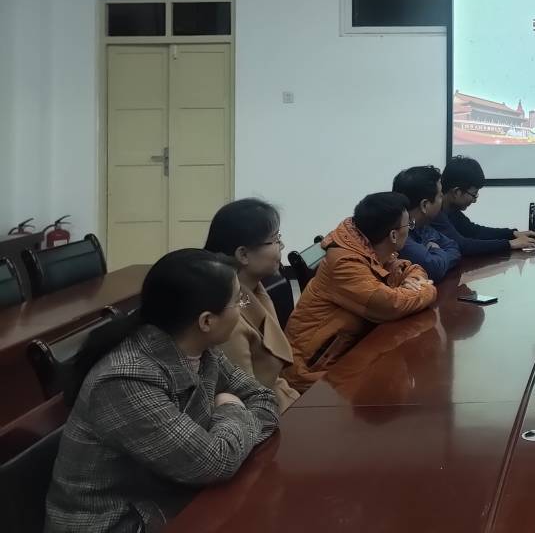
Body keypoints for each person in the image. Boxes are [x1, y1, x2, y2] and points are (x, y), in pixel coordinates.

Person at [45, 249, 278, 533]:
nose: (242, 308)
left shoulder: (200, 348)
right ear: (206, 321)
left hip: (172, 500)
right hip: (120, 523)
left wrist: (225, 433)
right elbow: (214, 462)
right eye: (238, 301)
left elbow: (263, 398)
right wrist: (230, 407)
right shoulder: (126, 380)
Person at [284, 191, 437, 389]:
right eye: (409, 225)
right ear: (393, 235)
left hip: (344, 356)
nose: (410, 230)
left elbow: (409, 269)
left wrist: (414, 281)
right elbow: (389, 305)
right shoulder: (345, 262)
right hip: (312, 371)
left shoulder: (368, 248)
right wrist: (426, 290)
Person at [203, 198, 300, 411]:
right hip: (260, 416)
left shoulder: (255, 291)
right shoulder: (228, 317)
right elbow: (246, 400)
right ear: (243, 255)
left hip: (281, 401)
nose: (282, 246)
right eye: (275, 240)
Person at [435, 155, 535, 256]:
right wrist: (510, 244)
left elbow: (474, 232)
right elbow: (462, 245)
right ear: (457, 192)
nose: (474, 200)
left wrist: (513, 233)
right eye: (474, 194)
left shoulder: (451, 210)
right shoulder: (435, 213)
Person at [391, 165, 462, 282]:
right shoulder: (400, 233)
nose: (442, 200)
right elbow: (434, 268)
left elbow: (453, 247)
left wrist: (436, 256)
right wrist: (436, 249)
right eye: (440, 196)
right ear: (424, 205)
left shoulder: (421, 226)